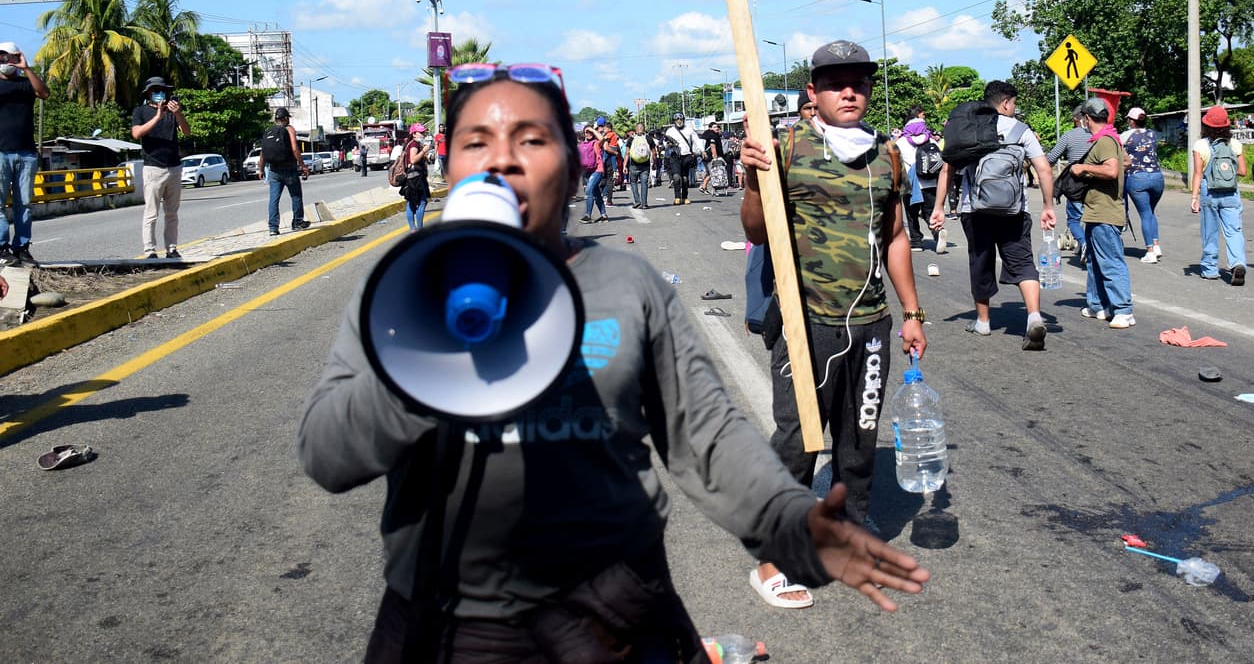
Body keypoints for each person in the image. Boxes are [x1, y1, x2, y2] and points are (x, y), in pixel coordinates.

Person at [298, 62, 929, 659]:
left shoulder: (626, 286)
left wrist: (789, 523)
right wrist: (422, 343)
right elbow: (329, 457)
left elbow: (705, 438)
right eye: (476, 142)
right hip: (445, 619)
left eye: (531, 140)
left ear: (574, 172)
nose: (502, 160)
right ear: (449, 168)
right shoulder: (398, 292)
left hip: (617, 607)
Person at [739, 40, 927, 610]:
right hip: (806, 323)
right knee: (799, 441)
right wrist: (752, 180)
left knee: (859, 441)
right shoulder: (784, 146)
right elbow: (756, 231)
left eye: (860, 83)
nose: (850, 92)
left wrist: (911, 312)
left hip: (871, 323)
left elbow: (895, 236)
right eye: (835, 83)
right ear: (813, 92)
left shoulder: (887, 154)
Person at [928, 81, 1056, 351]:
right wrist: (1048, 206)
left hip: (975, 210)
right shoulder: (1021, 130)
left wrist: (939, 207)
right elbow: (1044, 169)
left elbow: (947, 170)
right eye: (1014, 103)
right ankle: (1034, 316)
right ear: (1006, 102)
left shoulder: (969, 127)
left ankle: (983, 322)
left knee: (980, 261)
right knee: (1022, 261)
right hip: (1014, 210)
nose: (1014, 108)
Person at [1072, 98, 1133, 327]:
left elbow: (1112, 170)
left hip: (1105, 212)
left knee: (1110, 262)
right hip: (1096, 211)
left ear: (1087, 118)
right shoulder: (1110, 138)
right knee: (1094, 262)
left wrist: (1084, 168)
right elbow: (1125, 162)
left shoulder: (1106, 141)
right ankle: (1099, 305)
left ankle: (1124, 310)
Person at [0, 41, 50, 267]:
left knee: (24, 204)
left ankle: (21, 247)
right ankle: (2, 248)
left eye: (9, 56)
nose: (5, 60)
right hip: (1, 152)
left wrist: (26, 68)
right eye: (1, 56)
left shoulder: (25, 84)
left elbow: (44, 93)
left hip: (26, 152)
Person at [130, 76, 190, 259]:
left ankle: (171, 248)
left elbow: (187, 132)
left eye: (163, 91)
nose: (159, 94)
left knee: (172, 213)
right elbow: (136, 133)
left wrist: (178, 114)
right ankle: (150, 250)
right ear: (148, 93)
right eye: (155, 91)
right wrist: (157, 117)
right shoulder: (140, 111)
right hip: (153, 168)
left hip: (174, 167)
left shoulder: (173, 112)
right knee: (151, 213)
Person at [1190, 104, 1248, 285]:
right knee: (1234, 230)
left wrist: (1194, 197)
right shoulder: (1235, 144)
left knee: (1210, 231)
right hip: (1231, 192)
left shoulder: (1200, 145)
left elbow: (1198, 173)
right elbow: (1243, 171)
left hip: (1209, 192)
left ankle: (1210, 269)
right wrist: (1226, 173)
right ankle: (1237, 263)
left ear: (1206, 125)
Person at [1045, 105, 1092, 260]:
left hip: (1076, 185)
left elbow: (1051, 158)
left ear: (1076, 119)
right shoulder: (1098, 135)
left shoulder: (1069, 135)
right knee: (1093, 218)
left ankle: (1084, 243)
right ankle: (1088, 245)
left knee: (1073, 220)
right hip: (1096, 183)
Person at [259, 107, 311, 236]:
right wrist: (303, 165)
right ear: (286, 118)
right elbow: (294, 149)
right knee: (296, 196)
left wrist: (260, 169)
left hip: (273, 171)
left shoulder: (268, 131)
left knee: (274, 199)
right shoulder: (289, 129)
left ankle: (273, 228)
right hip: (289, 169)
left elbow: (263, 153)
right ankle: (298, 222)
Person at [896, 117, 945, 253]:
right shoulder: (931, 140)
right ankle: (937, 232)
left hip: (910, 184)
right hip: (930, 183)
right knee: (929, 212)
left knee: (911, 214)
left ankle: (916, 242)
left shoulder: (901, 142)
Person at [1122, 106, 1164, 263]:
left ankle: (1150, 251)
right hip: (1157, 177)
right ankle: (1156, 245)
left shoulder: (1125, 135)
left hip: (1137, 177)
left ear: (1132, 121)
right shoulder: (1152, 134)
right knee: (1151, 212)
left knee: (1145, 214)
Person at [402, 123, 432, 232]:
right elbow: (413, 159)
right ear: (414, 133)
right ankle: (419, 229)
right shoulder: (414, 144)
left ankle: (413, 228)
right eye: (421, 132)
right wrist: (424, 151)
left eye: (423, 132)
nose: (423, 134)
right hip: (415, 177)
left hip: (413, 176)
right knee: (422, 202)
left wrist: (425, 154)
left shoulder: (411, 143)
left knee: (411, 201)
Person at [664, 113, 698, 205]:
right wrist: (669, 144)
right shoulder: (670, 131)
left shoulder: (689, 130)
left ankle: (685, 197)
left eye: (681, 119)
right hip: (675, 156)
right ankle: (677, 197)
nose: (679, 121)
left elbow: (696, 140)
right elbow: (664, 143)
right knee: (676, 177)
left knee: (685, 178)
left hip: (686, 155)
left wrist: (702, 151)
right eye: (677, 119)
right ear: (674, 121)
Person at [578, 125, 608, 224]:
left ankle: (588, 215)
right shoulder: (582, 144)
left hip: (597, 170)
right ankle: (604, 215)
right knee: (596, 194)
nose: (588, 134)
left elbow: (602, 139)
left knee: (589, 190)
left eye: (590, 132)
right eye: (586, 132)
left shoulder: (596, 143)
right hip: (587, 171)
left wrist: (592, 130)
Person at [626, 121, 651, 209]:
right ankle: (644, 204)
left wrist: (624, 166)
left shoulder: (631, 139)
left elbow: (627, 153)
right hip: (645, 165)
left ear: (636, 129)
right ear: (644, 129)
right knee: (644, 183)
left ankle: (637, 201)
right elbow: (654, 152)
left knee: (633, 182)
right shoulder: (648, 138)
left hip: (634, 165)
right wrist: (655, 163)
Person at [699, 121, 724, 194]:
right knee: (714, 173)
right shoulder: (712, 135)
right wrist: (715, 157)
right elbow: (713, 146)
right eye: (714, 127)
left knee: (709, 173)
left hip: (705, 156)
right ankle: (713, 189)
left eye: (717, 127)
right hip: (710, 157)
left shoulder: (707, 134)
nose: (717, 128)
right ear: (710, 128)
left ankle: (703, 187)